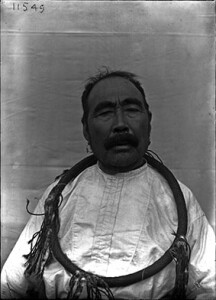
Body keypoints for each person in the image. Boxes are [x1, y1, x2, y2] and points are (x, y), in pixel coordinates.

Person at [1, 69, 215, 299]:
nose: (120, 123)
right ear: (86, 129)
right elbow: (11, 286)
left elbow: (209, 286)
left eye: (132, 109)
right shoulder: (59, 196)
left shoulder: (179, 200)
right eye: (105, 113)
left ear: (149, 121)